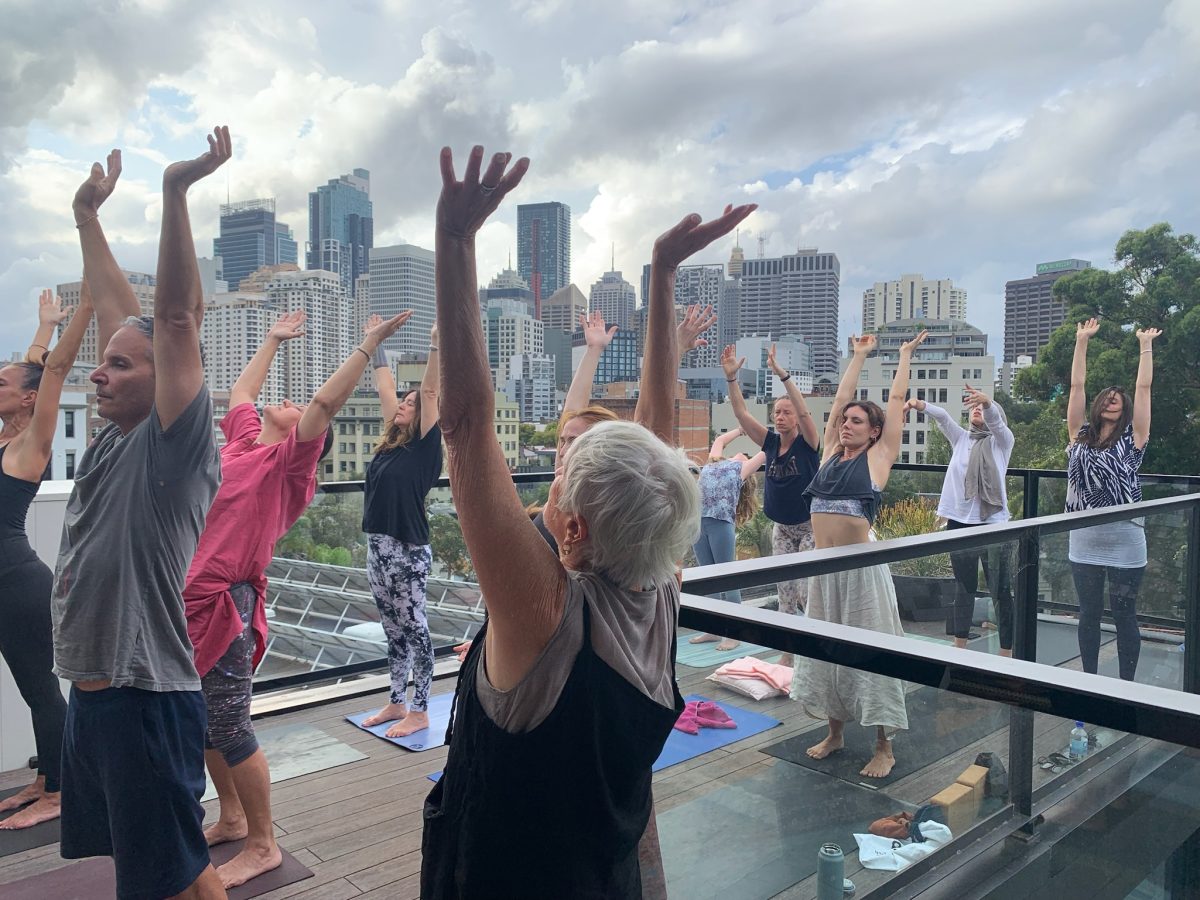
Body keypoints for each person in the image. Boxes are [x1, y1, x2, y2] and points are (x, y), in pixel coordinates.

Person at [420, 143, 754, 898]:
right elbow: (657, 445)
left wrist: (455, 241)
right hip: (606, 869)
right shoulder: (660, 589)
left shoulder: (544, 616)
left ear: (573, 531)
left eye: (563, 480)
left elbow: (465, 425)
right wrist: (662, 276)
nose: (553, 477)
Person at [53, 135, 230, 899]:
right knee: (157, 869)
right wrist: (87, 218)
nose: (99, 372)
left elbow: (175, 320)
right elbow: (120, 312)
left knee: (178, 877)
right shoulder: (114, 440)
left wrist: (174, 193)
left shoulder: (173, 450)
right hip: (93, 697)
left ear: (166, 383)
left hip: (144, 700)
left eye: (120, 365)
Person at [185, 308, 413, 887]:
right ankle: (232, 817)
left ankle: (263, 845)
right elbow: (242, 393)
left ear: (302, 436)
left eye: (297, 408)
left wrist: (368, 345)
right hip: (187, 600)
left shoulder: (287, 465)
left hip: (224, 606)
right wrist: (271, 340)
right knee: (204, 721)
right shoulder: (241, 443)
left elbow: (324, 405)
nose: (288, 401)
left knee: (231, 725)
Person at [792, 330, 927, 779]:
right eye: (845, 420)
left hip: (861, 574)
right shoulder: (830, 455)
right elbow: (838, 402)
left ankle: (884, 744)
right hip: (823, 574)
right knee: (826, 651)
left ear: (874, 432)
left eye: (857, 421)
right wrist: (858, 356)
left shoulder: (877, 459)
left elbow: (896, 399)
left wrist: (904, 356)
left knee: (871, 654)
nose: (846, 424)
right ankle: (835, 732)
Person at [0, 288, 91, 830]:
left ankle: (60, 791)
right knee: (31, 690)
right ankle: (46, 778)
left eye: (2, 384)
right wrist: (42, 327)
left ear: (28, 399)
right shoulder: (4, 439)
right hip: (5, 586)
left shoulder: (30, 445)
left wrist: (80, 314)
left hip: (17, 584)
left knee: (41, 690)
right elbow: (35, 372)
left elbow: (50, 375)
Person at [358, 317, 442, 739]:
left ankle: (421, 709)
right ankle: (396, 701)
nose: (404, 405)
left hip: (407, 552)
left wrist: (436, 344)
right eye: (403, 402)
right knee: (392, 631)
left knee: (415, 630)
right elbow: (383, 387)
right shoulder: (391, 444)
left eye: (411, 402)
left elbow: (429, 391)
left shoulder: (425, 446)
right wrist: (376, 342)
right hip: (377, 548)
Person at [1066, 318, 1160, 681]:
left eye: (1118, 400)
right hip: (1084, 537)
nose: (1111, 401)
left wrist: (1145, 345)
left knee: (1124, 615)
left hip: (1125, 538)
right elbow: (1077, 385)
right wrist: (1081, 341)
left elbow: (1144, 388)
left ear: (1125, 409)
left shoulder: (1134, 439)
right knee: (1088, 614)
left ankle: (1126, 687)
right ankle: (1089, 682)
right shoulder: (1079, 435)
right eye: (1107, 397)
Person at [722, 341, 820, 664]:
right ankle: (789, 653)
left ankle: (815, 649)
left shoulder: (808, 444)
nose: (781, 416)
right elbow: (741, 413)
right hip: (782, 528)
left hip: (809, 527)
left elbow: (804, 411)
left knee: (807, 591)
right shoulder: (769, 442)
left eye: (786, 412)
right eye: (777, 412)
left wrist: (783, 376)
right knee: (785, 593)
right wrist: (731, 379)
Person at [906, 385, 1015, 655]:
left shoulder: (1002, 442)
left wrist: (987, 403)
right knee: (964, 587)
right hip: (959, 522)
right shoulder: (961, 439)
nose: (977, 410)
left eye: (982, 408)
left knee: (1000, 589)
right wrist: (919, 405)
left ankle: (1006, 651)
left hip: (993, 525)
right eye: (974, 407)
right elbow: (943, 417)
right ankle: (960, 647)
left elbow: (996, 422)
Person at [688, 426, 765, 650]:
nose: (743, 454)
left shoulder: (740, 470)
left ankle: (734, 633)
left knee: (728, 579)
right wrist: (741, 429)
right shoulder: (714, 461)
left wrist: (756, 431)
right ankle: (713, 630)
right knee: (708, 579)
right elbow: (720, 440)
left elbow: (767, 451)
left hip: (721, 524)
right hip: (699, 523)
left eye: (747, 456)